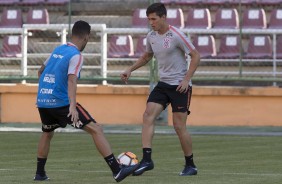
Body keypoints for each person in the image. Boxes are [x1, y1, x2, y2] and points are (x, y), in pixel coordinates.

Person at [34, 20, 137, 182]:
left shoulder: (58, 49)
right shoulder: (76, 55)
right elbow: (72, 80)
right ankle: (117, 170)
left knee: (47, 133)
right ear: (86, 37)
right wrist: (72, 107)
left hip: (43, 101)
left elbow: (40, 71)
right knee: (96, 129)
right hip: (62, 103)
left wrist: (45, 91)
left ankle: (39, 174)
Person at [120, 3, 200, 176]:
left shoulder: (177, 35)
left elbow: (195, 55)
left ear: (163, 17)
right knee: (148, 115)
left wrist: (187, 80)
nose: (151, 22)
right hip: (163, 84)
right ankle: (147, 160)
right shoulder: (151, 36)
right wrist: (129, 69)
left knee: (179, 126)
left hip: (180, 85)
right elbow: (147, 56)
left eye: (154, 19)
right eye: (148, 19)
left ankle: (190, 165)